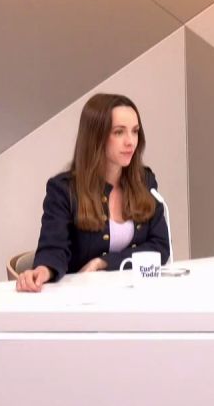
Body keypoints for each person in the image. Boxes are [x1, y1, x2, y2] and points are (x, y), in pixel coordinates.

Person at [16, 93, 169, 292]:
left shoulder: (145, 181)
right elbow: (54, 249)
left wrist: (103, 263)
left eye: (135, 131)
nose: (131, 141)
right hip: (82, 300)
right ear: (96, 137)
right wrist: (43, 270)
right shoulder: (64, 190)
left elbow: (160, 247)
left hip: (137, 295)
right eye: (119, 132)